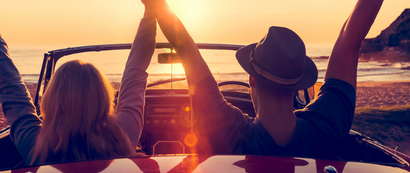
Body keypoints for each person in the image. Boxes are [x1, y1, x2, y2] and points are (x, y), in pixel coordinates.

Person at [146, 0, 383, 159]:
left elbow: (186, 50)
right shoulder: (326, 127)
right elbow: (350, 39)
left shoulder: (227, 132)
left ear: (251, 80)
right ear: (299, 85)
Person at [0, 0, 157, 165]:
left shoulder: (36, 148)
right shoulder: (124, 137)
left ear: (52, 99)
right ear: (103, 99)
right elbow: (135, 72)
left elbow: (8, 82)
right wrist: (151, 10)